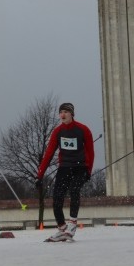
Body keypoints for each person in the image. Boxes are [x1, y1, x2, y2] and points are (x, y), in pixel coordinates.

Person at [35, 103, 94, 241]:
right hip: (64, 167)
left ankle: (72, 224)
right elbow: (49, 153)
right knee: (57, 199)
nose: (63, 115)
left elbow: (91, 152)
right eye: (61, 112)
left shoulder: (83, 129)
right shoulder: (58, 131)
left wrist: (88, 171)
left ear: (72, 114)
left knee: (74, 190)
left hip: (80, 167)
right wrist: (39, 175)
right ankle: (62, 229)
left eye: (66, 112)